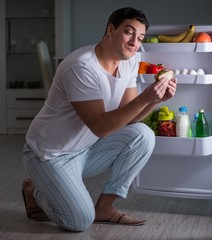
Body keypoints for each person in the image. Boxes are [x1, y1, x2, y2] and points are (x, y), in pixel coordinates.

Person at [22, 7, 177, 232]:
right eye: (129, 32)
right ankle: (34, 190)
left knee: (143, 135)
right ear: (111, 30)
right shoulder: (82, 66)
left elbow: (130, 119)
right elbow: (100, 127)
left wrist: (156, 100)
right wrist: (145, 97)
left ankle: (105, 207)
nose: (135, 42)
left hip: (85, 150)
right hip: (49, 155)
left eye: (141, 37)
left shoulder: (130, 61)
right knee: (79, 222)